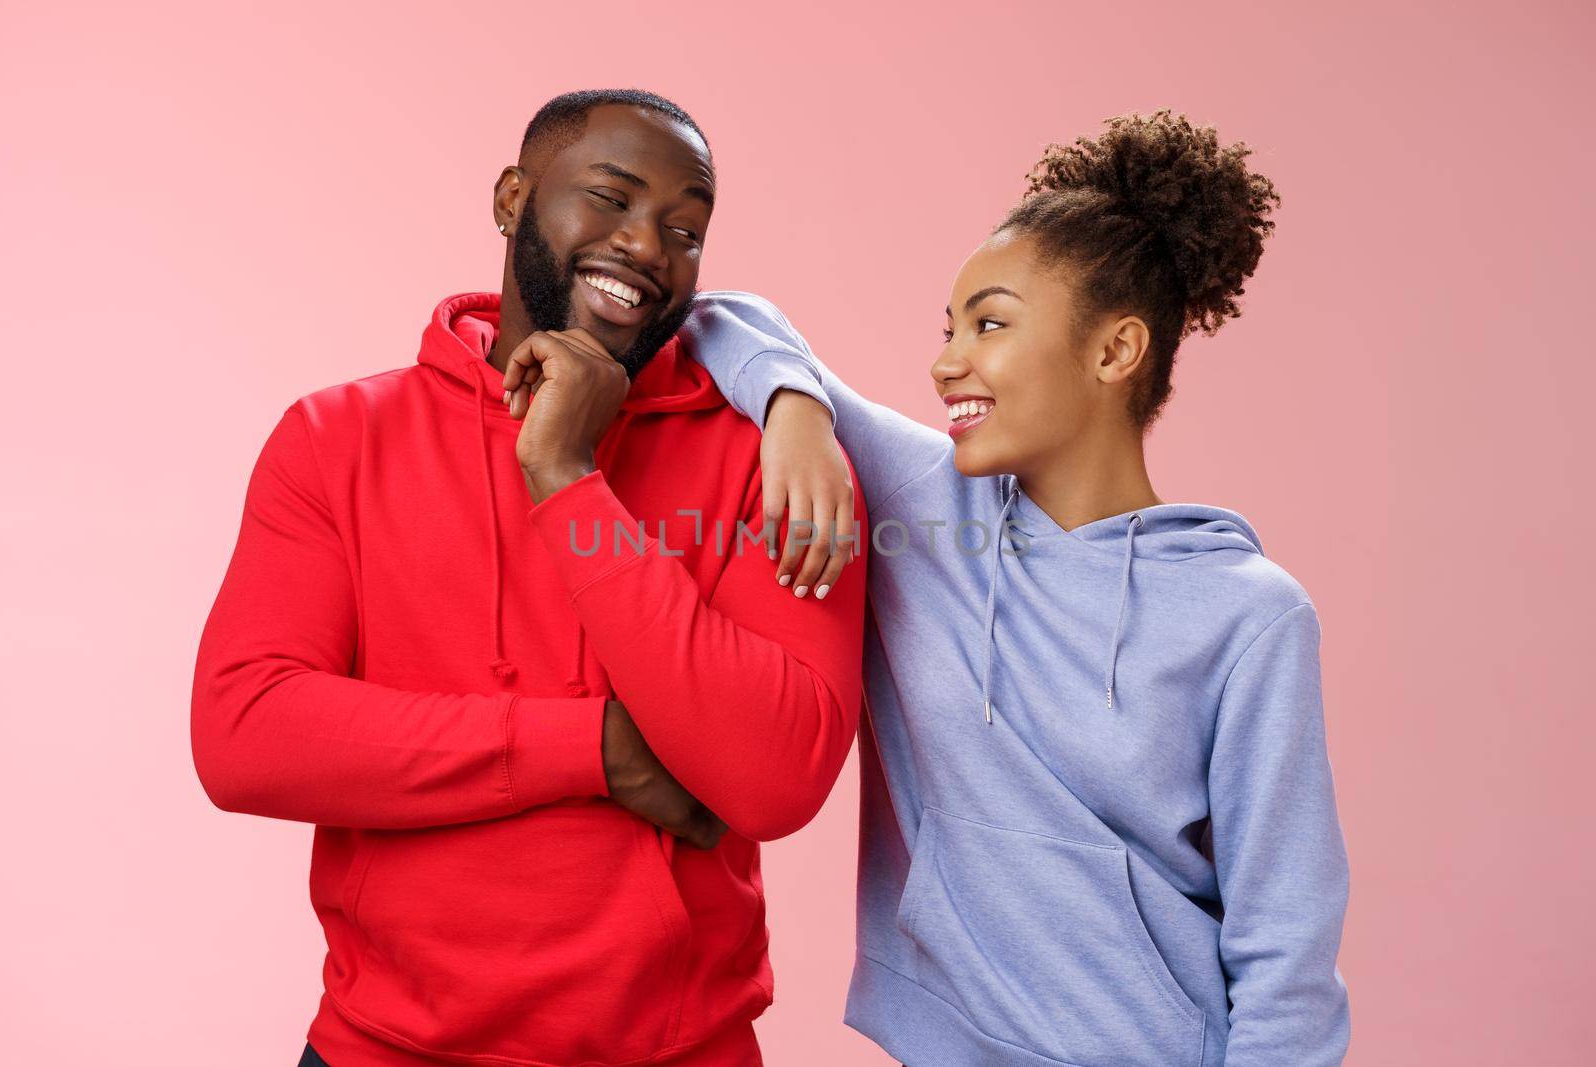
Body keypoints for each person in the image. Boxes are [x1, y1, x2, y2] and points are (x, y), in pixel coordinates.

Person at [191, 89, 866, 1067]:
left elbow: (775, 775)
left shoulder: (769, 460)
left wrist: (566, 474)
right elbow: (245, 732)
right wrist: (592, 746)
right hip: (384, 1047)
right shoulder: (336, 439)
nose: (646, 245)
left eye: (684, 228)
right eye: (613, 198)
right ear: (511, 197)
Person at [682, 112, 1351, 1066]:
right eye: (950, 329)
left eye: (990, 324)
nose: (946, 360)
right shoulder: (925, 506)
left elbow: (1287, 944)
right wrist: (795, 410)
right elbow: (721, 316)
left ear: (1115, 352)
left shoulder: (1250, 613)